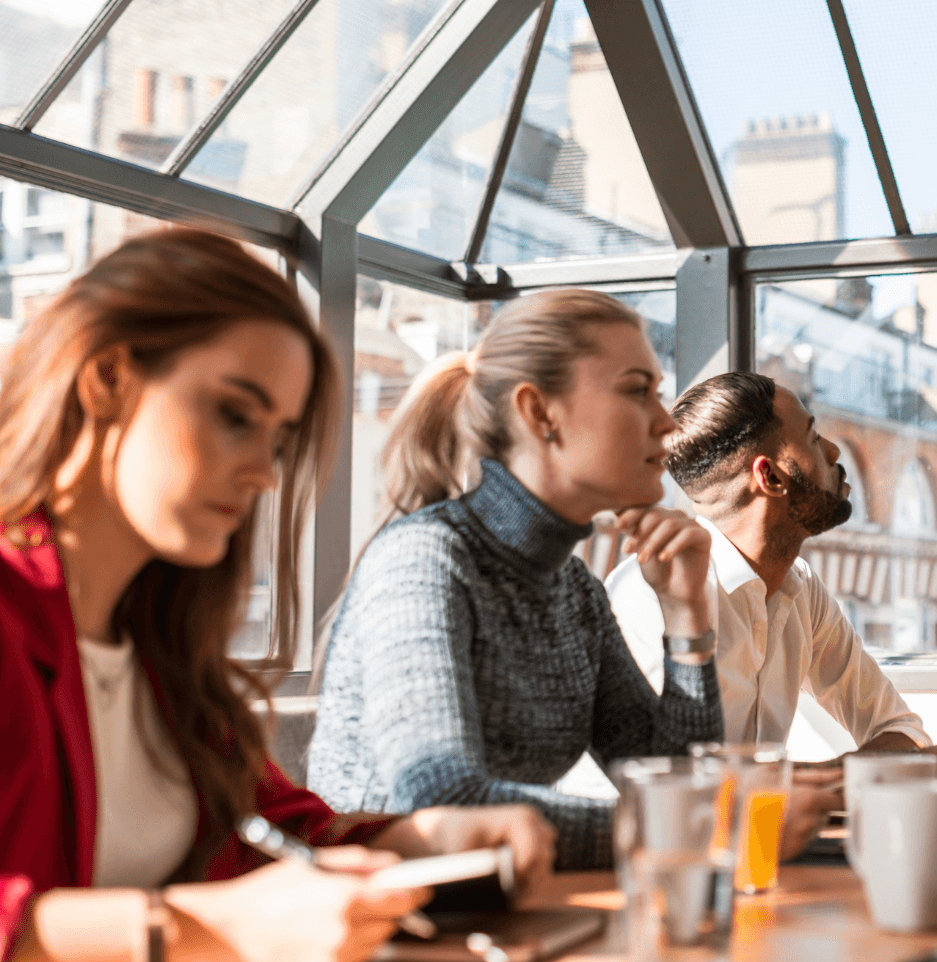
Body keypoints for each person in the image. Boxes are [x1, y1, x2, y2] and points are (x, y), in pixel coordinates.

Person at [0, 230, 554, 962]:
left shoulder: (158, 640)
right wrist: (197, 930)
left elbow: (271, 837)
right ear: (107, 379)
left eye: (278, 438)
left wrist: (421, 840)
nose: (262, 473)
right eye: (233, 414)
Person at [308, 289, 723, 871]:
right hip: (383, 926)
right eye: (637, 390)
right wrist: (683, 831)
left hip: (504, 909)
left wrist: (687, 615)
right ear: (539, 413)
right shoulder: (425, 557)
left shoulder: (573, 589)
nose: (666, 420)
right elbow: (444, 803)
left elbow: (672, 777)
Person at [607, 372, 937, 809]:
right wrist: (915, 771)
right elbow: (677, 795)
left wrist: (855, 778)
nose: (833, 451)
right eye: (813, 438)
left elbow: (899, 729)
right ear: (771, 477)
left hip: (754, 851)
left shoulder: (800, 587)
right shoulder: (652, 595)